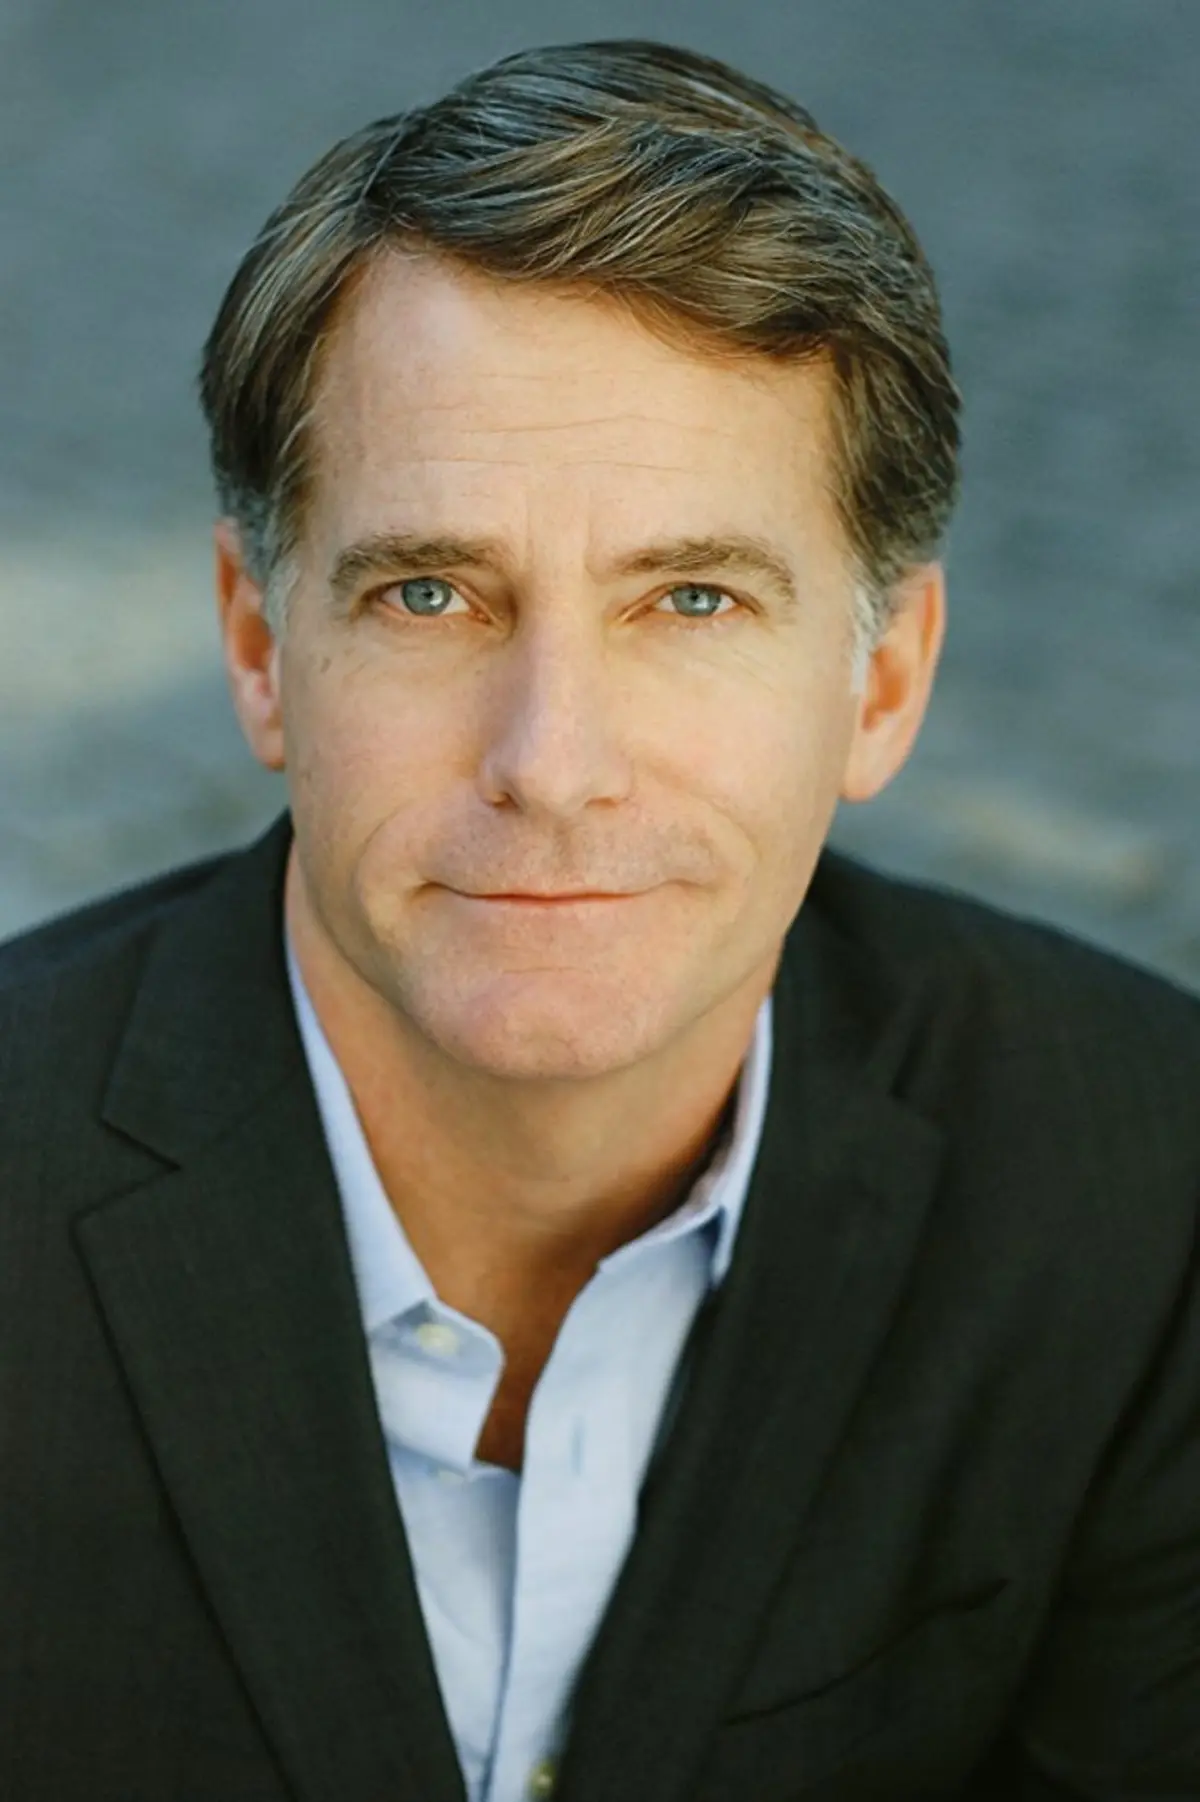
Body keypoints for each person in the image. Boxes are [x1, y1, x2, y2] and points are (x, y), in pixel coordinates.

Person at [1, 37, 1197, 1802]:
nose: (552, 764)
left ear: (882, 682)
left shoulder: (1147, 1187)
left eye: (692, 598)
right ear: (260, 649)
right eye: (431, 592)